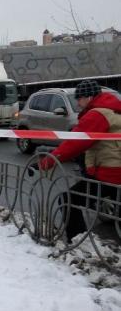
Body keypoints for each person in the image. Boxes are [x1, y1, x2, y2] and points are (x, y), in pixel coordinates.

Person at [33, 80, 121, 241]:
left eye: (79, 98)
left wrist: (46, 162)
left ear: (89, 97)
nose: (78, 103)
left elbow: (74, 144)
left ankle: (79, 241)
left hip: (110, 172)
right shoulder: (113, 110)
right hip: (113, 169)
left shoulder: (97, 114)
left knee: (68, 200)